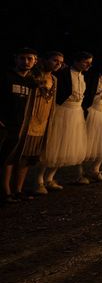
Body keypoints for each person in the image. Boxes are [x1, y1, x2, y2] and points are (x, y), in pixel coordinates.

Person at [42, 52, 93, 186]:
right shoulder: (63, 73)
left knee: (66, 146)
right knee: (54, 145)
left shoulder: (83, 77)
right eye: (85, 62)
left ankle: (49, 178)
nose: (89, 65)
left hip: (76, 113)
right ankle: (39, 179)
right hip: (62, 111)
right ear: (76, 61)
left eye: (90, 62)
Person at [19, 52, 62, 196]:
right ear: (45, 60)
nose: (58, 64)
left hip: (43, 121)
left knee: (30, 157)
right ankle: (10, 189)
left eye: (60, 62)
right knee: (19, 155)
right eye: (55, 60)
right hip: (29, 120)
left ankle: (20, 188)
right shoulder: (33, 76)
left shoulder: (54, 79)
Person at [1, 48, 38, 204]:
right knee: (5, 158)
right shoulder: (6, 77)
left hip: (23, 125)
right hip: (6, 124)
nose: (26, 61)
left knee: (19, 158)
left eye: (30, 58)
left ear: (35, 61)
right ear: (15, 59)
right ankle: (5, 192)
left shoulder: (31, 81)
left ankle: (16, 190)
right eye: (22, 58)